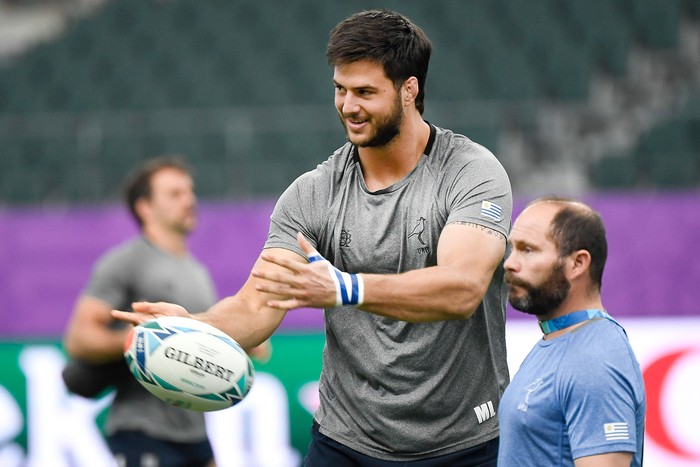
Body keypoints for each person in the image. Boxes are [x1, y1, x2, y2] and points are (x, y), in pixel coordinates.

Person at [114, 9, 512, 466]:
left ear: (409, 90)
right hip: (346, 442)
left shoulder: (470, 172)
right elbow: (255, 306)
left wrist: (344, 287)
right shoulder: (311, 194)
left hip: (464, 444)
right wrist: (194, 325)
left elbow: (461, 288)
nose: (348, 105)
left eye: (365, 92)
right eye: (340, 90)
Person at [63, 156, 219, 467]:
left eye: (190, 191)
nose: (190, 200)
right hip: (142, 428)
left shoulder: (197, 271)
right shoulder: (125, 262)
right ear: (144, 207)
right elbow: (78, 339)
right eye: (175, 194)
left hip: (194, 431)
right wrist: (141, 337)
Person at [498, 196, 646, 466]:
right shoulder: (557, 340)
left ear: (577, 263)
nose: (510, 263)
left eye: (528, 250)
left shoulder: (596, 360)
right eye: (512, 249)